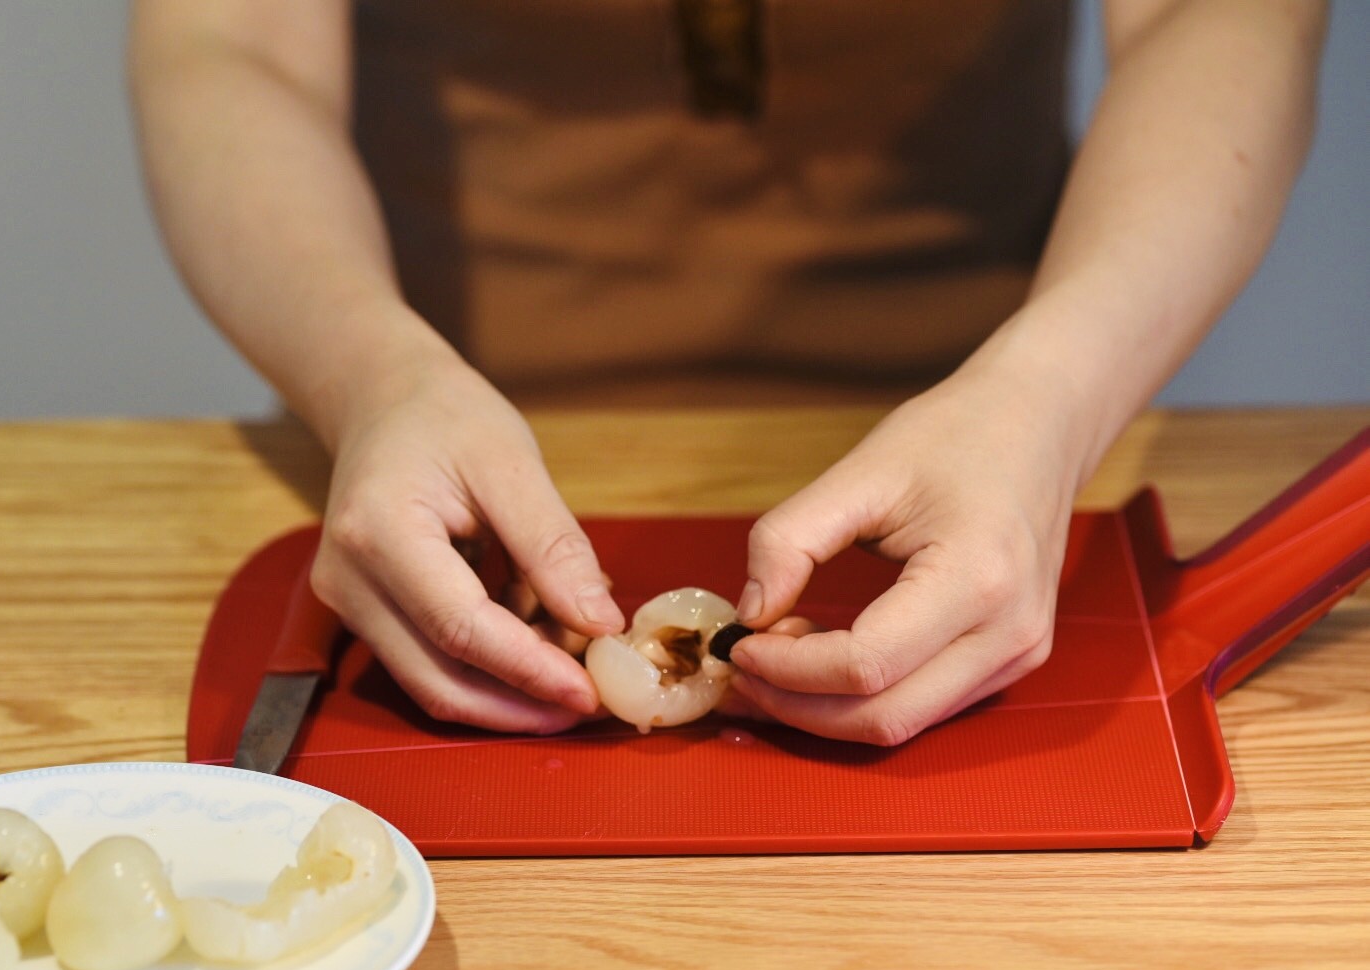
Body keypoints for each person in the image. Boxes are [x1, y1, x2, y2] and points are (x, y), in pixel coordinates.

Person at [128, 0, 1327, 745]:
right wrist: (368, 375)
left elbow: (1223, 14)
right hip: (416, 430)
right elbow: (230, 41)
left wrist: (1054, 395)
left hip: (992, 424)